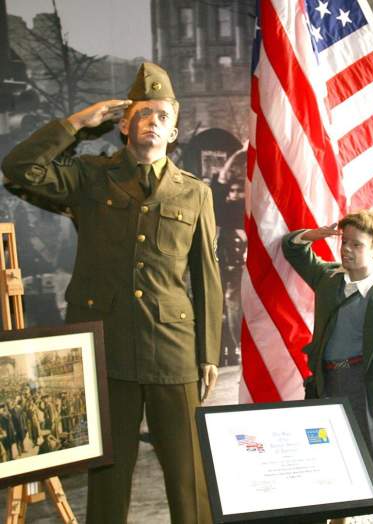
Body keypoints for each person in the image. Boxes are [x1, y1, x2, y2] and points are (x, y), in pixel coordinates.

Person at [2, 62, 223, 524]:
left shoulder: (194, 193)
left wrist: (208, 353)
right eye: (143, 113)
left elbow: (205, 276)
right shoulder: (89, 177)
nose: (153, 122)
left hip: (173, 350)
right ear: (124, 124)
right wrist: (77, 123)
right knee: (108, 478)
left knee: (190, 480)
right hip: (107, 348)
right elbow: (18, 167)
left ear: (175, 130)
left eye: (162, 115)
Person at [282, 210, 373, 483]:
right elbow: (292, 249)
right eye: (345, 242)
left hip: (363, 386)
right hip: (327, 382)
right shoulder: (329, 279)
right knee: (328, 462)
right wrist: (311, 236)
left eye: (357, 245)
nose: (347, 250)